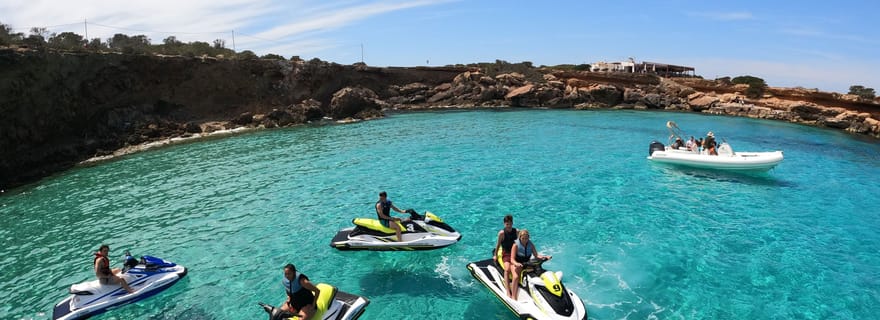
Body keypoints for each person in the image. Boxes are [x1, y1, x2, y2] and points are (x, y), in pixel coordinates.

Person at [508, 229, 551, 301]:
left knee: (538, 272)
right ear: (520, 238)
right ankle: (513, 296)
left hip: (527, 263)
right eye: (523, 238)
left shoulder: (530, 244)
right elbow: (512, 259)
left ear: (528, 237)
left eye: (526, 238)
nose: (525, 240)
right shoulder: (515, 245)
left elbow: (536, 255)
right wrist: (517, 264)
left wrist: (545, 257)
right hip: (516, 264)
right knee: (515, 277)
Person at [492, 215, 518, 298]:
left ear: (512, 223)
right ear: (504, 224)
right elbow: (498, 244)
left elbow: (519, 244)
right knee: (507, 269)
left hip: (515, 253)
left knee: (516, 270)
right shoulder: (502, 233)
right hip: (506, 253)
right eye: (507, 224)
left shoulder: (516, 231)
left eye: (510, 224)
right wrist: (495, 255)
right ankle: (507, 291)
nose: (509, 226)